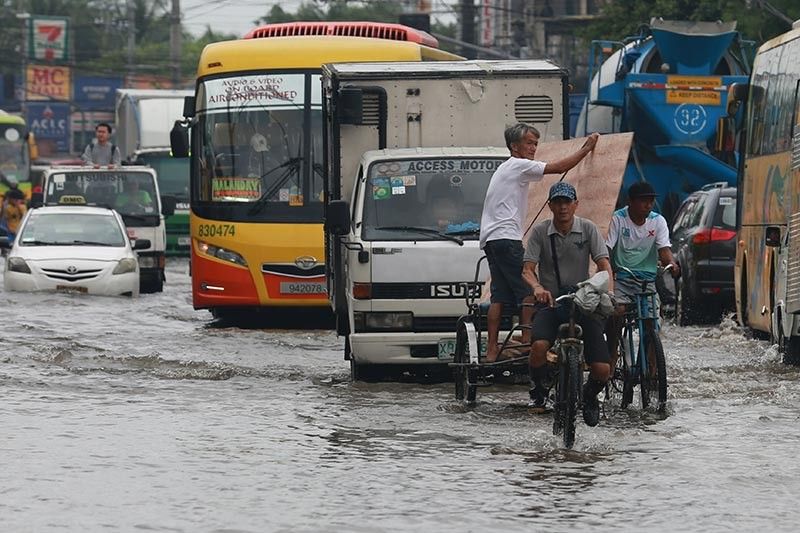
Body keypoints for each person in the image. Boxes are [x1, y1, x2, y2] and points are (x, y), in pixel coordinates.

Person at [479, 122, 599, 363]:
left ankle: (492, 350)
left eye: (536, 143)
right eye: (529, 143)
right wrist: (586, 148)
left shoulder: (505, 168)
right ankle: (526, 342)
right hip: (506, 237)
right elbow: (559, 167)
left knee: (499, 297)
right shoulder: (518, 165)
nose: (534, 148)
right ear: (514, 147)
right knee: (528, 289)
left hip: (491, 239)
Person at [523, 181, 614, 425]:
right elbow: (528, 270)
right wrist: (538, 288)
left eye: (567, 202)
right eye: (558, 202)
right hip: (551, 303)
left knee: (602, 370)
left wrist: (609, 292)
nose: (563, 207)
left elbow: (604, 265)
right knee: (539, 347)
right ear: (550, 206)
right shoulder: (541, 233)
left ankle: (589, 395)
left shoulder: (588, 229)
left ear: (575, 205)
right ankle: (539, 390)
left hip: (582, 302)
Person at [604, 182, 680, 366]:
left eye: (651, 201)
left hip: (647, 282)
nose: (648, 205)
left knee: (653, 324)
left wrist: (671, 262)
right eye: (643, 201)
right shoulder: (618, 219)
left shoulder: (658, 221)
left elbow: (664, 249)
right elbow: (606, 248)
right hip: (622, 279)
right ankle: (612, 354)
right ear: (630, 202)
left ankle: (651, 370)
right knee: (616, 314)